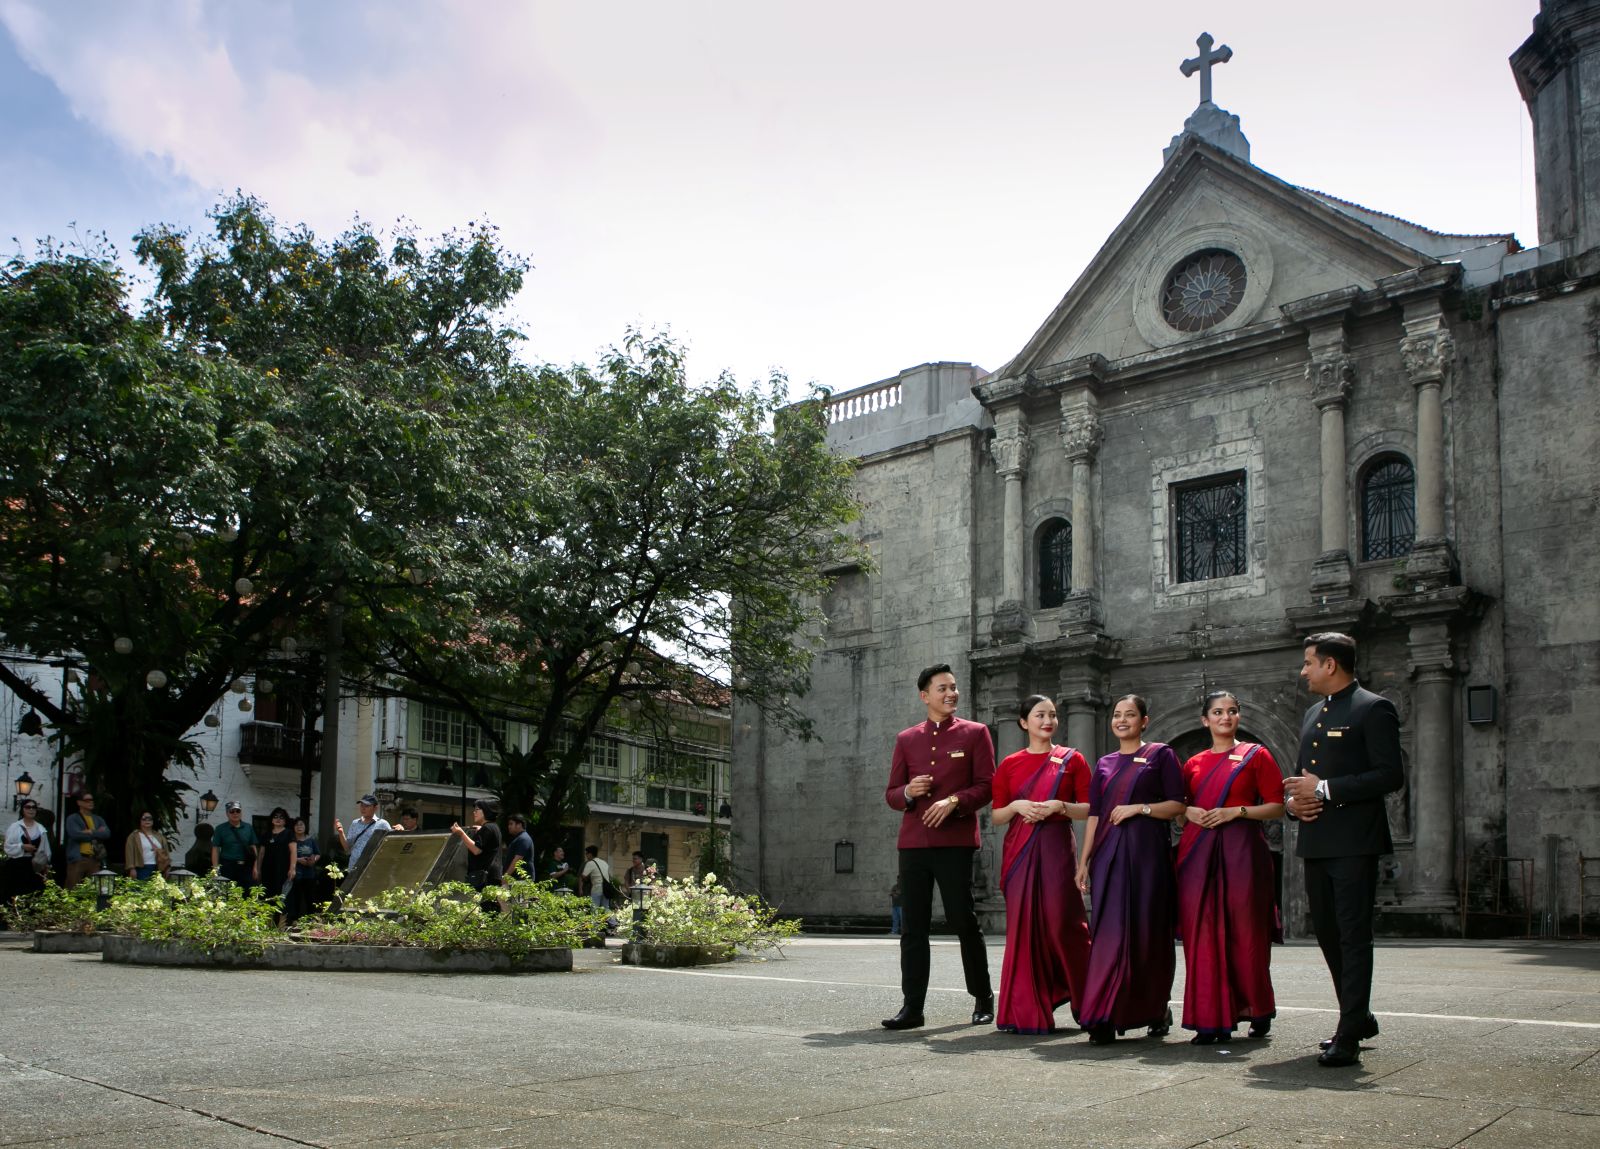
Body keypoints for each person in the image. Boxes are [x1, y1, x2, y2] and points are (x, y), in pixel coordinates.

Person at [1283, 631, 1405, 1068]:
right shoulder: (1314, 712)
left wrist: (1327, 788)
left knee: (1354, 936)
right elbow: (1305, 779)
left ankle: (1349, 1031)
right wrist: (1294, 805)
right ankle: (1359, 1015)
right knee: (1330, 935)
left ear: (1330, 665)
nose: (1304, 671)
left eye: (1309, 662)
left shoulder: (1374, 708)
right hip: (1316, 840)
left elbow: (1390, 775)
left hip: (1354, 841)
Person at [881, 663, 996, 1031]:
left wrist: (954, 803)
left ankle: (982, 997)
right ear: (924, 696)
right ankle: (912, 1007)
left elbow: (988, 786)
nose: (950, 694)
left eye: (953, 687)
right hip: (914, 844)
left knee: (963, 921)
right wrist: (908, 793)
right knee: (913, 928)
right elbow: (891, 794)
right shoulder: (906, 739)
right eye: (942, 688)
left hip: (955, 842)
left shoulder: (976, 734)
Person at [1075, 694, 1186, 1045]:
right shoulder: (1104, 763)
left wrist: (1140, 808)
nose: (1122, 720)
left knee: (1147, 931)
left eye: (1130, 714)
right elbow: (1094, 815)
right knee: (1109, 933)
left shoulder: (1161, 755)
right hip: (1108, 857)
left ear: (1144, 720)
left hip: (1148, 856)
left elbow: (1177, 805)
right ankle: (1103, 1013)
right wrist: (1083, 862)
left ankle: (1155, 1007)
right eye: (1117, 714)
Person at [1177, 691, 1286, 1044]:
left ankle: (1257, 1008)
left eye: (1232, 711)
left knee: (1247, 932)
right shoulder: (1192, 763)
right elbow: (1180, 808)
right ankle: (1211, 1018)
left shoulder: (1257, 756)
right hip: (1198, 853)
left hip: (1243, 852)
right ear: (1204, 720)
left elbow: (1276, 807)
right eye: (1218, 712)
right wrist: (1188, 812)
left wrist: (1235, 812)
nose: (1226, 717)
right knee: (1202, 934)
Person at [990, 694, 1092, 1035]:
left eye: (1052, 715)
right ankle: (1025, 1010)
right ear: (1024, 722)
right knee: (1024, 927)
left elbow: (1091, 807)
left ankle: (1088, 1001)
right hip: (1019, 852)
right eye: (1039, 715)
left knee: (1065, 923)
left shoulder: (1072, 759)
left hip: (1057, 849)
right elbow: (997, 816)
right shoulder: (1009, 764)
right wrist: (1019, 805)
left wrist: (1061, 806)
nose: (1047, 721)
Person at [451, 799, 502, 907]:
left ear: (486, 811)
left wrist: (461, 834)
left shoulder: (487, 828)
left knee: (483, 909)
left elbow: (476, 850)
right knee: (489, 908)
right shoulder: (493, 827)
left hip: (484, 877)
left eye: (477, 810)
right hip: (491, 875)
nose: (474, 812)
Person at [3, 798, 51, 905]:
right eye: (28, 807)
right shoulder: (15, 827)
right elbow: (7, 846)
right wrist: (22, 847)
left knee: (33, 895)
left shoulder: (40, 828)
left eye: (34, 807)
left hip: (33, 867)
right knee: (14, 894)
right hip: (16, 866)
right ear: (23, 810)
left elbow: (46, 850)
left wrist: (45, 864)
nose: (31, 809)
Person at [62, 790, 110, 888]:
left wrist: (90, 832)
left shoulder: (98, 819)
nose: (91, 802)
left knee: (93, 889)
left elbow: (106, 834)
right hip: (78, 859)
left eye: (92, 800)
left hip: (94, 859)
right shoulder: (73, 818)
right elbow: (75, 835)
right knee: (72, 889)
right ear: (79, 802)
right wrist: (97, 832)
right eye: (87, 800)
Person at [334, 794, 390, 873]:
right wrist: (341, 832)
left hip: (372, 868)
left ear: (375, 808)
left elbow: (390, 845)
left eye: (367, 806)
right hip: (354, 867)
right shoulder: (355, 823)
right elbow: (347, 848)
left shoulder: (383, 824)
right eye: (361, 805)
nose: (363, 808)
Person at [212, 802, 259, 887]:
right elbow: (215, 849)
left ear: (241, 813)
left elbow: (253, 847)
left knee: (246, 892)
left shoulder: (248, 827)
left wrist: (255, 867)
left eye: (238, 811)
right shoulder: (220, 829)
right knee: (227, 891)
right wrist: (215, 869)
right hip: (227, 865)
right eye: (232, 811)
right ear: (227, 813)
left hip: (246, 866)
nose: (235, 813)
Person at [285, 817, 321, 924]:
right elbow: (287, 855)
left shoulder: (311, 840)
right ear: (293, 827)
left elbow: (318, 853)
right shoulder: (291, 840)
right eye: (297, 825)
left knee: (310, 897)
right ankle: (295, 919)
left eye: (301, 825)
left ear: (305, 827)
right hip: (297, 873)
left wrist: (313, 860)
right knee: (296, 897)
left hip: (309, 874)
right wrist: (298, 860)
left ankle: (311, 919)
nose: (299, 827)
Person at [258, 808, 296, 902]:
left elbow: (293, 851)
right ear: (271, 819)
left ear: (285, 820)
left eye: (281, 817)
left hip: (283, 868)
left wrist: (292, 868)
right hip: (267, 868)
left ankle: (279, 916)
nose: (278, 819)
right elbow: (261, 853)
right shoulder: (266, 834)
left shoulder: (289, 833)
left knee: (281, 895)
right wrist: (258, 869)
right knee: (266, 893)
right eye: (275, 817)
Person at [122, 812, 170, 881]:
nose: (147, 821)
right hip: (141, 868)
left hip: (157, 868)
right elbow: (129, 853)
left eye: (150, 818)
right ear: (139, 821)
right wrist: (131, 868)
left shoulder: (159, 836)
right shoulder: (134, 836)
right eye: (144, 818)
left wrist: (167, 867)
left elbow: (166, 853)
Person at [581, 845, 614, 909]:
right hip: (606, 888)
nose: (586, 856)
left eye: (586, 854)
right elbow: (610, 875)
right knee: (606, 908)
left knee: (594, 909)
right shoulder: (604, 862)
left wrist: (588, 879)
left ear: (590, 854)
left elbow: (583, 876)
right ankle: (611, 919)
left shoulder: (590, 863)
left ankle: (595, 919)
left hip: (596, 888)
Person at [503, 814, 534, 882]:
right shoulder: (519, 838)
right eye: (509, 824)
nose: (509, 826)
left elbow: (517, 860)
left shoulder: (523, 838)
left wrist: (506, 876)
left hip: (522, 880)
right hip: (517, 880)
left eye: (511, 824)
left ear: (519, 825)